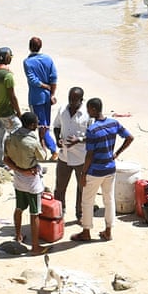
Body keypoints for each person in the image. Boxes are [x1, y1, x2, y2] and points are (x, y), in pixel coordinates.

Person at [76, 97, 133, 242]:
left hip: (95, 171)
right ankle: (108, 231)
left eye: (88, 109)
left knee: (87, 201)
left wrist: (83, 173)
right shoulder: (113, 123)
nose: (87, 112)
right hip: (110, 169)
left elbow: (89, 154)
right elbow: (129, 138)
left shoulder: (92, 129)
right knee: (109, 200)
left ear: (94, 109)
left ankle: (86, 231)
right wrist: (117, 153)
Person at [5, 111, 52, 254]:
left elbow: (6, 159)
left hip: (18, 177)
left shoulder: (11, 137)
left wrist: (19, 169)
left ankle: (18, 235)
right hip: (32, 180)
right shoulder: (32, 142)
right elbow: (43, 156)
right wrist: (43, 138)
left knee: (19, 208)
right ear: (32, 125)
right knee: (34, 213)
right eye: (37, 123)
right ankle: (35, 246)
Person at [52, 86, 89, 224]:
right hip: (64, 156)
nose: (72, 102)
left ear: (81, 100)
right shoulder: (62, 110)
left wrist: (78, 140)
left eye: (75, 100)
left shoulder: (87, 114)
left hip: (81, 158)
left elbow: (93, 135)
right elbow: (56, 126)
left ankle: (80, 214)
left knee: (82, 188)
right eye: (70, 99)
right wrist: (57, 139)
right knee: (60, 187)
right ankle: (59, 213)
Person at [24, 36, 58, 150]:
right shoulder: (48, 59)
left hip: (36, 98)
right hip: (47, 97)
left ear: (29, 47)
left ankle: (53, 149)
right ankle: (43, 147)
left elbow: (32, 80)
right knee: (46, 125)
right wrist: (52, 94)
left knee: (41, 125)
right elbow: (54, 78)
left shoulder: (27, 62)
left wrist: (44, 86)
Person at [0, 46, 20, 162]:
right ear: (7, 57)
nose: (11, 58)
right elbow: (12, 96)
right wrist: (19, 112)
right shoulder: (8, 76)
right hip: (7, 112)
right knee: (17, 132)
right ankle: (13, 160)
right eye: (10, 56)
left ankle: (1, 160)